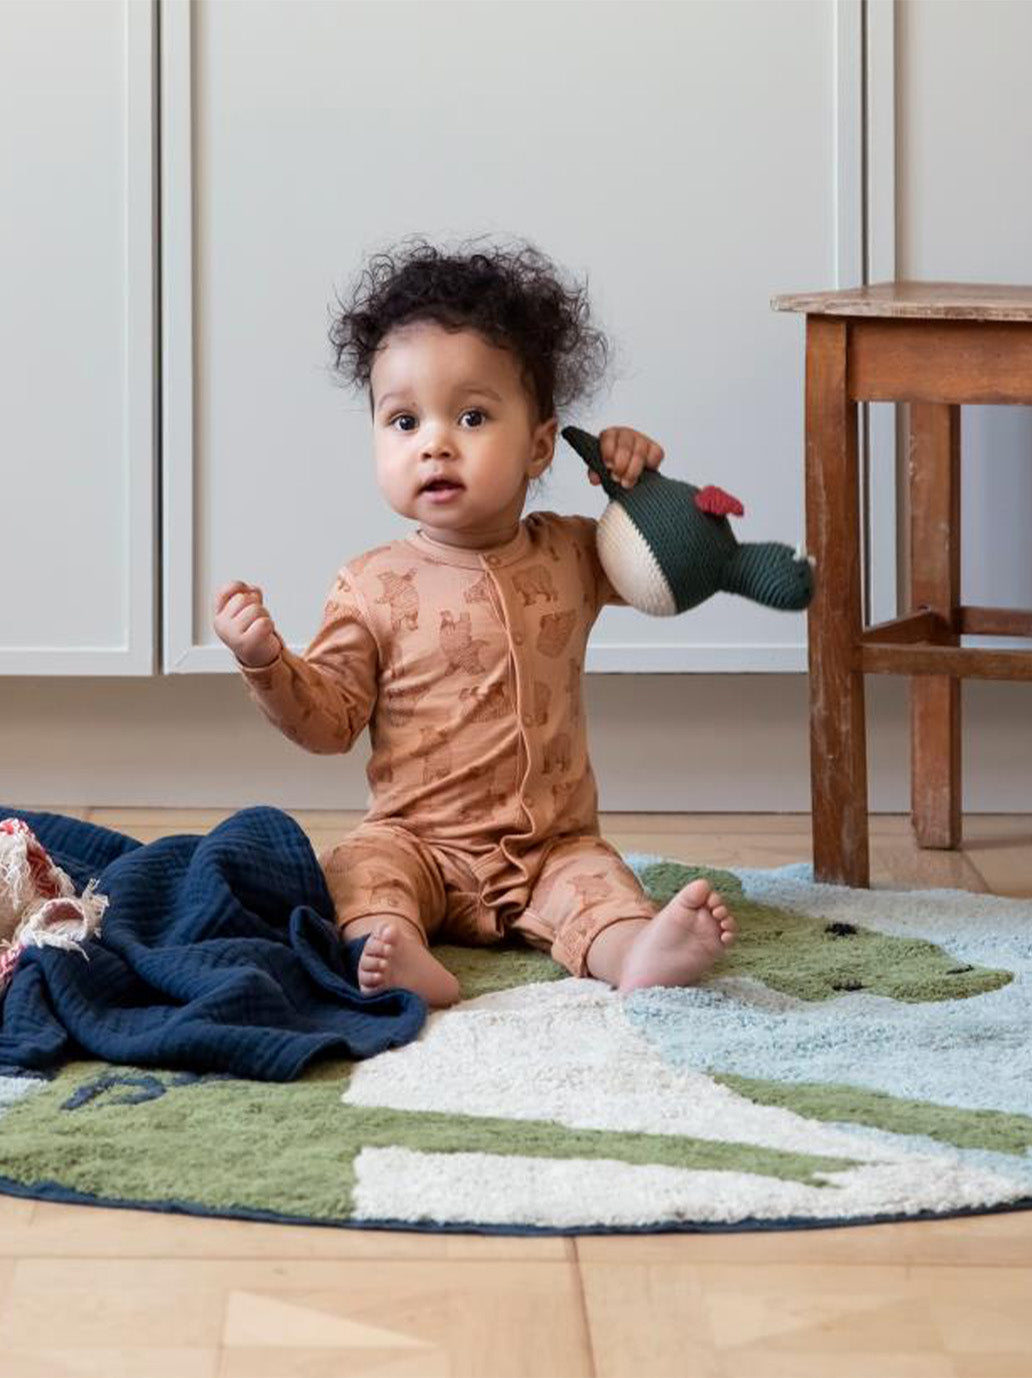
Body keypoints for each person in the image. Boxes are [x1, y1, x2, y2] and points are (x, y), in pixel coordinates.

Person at [213, 236, 736, 1008]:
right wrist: (266, 660)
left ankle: (636, 952)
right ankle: (397, 953)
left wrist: (642, 488)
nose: (435, 443)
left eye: (471, 415)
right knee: (356, 871)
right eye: (403, 422)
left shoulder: (575, 552)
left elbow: (680, 569)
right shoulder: (371, 585)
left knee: (599, 882)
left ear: (539, 445)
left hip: (550, 846)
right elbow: (329, 722)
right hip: (420, 845)